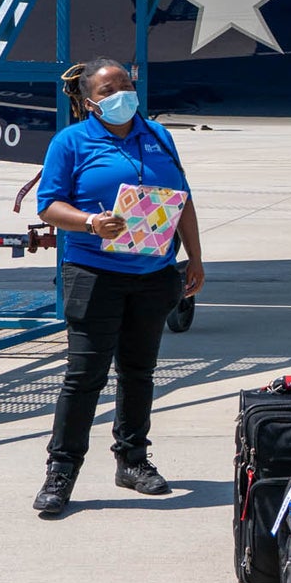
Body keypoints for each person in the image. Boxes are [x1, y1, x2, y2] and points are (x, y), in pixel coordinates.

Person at [30, 58, 205, 517]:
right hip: (94, 273)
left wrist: (195, 258)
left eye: (125, 85)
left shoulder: (158, 135)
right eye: (109, 90)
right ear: (90, 102)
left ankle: (132, 459)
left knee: (138, 371)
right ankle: (61, 471)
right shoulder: (72, 142)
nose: (121, 94)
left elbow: (182, 200)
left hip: (152, 275)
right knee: (84, 376)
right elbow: (48, 206)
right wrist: (90, 222)